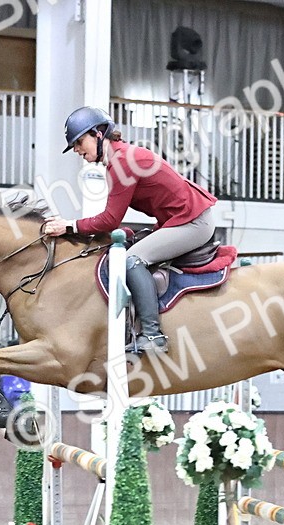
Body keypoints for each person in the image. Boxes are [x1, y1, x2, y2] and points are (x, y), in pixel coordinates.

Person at [42, 106, 217, 354]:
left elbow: (109, 220)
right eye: (74, 146)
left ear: (99, 134)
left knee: (132, 260)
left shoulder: (122, 162)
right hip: (178, 220)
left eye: (80, 142)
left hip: (193, 222)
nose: (77, 150)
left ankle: (153, 334)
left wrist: (69, 226)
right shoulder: (119, 159)